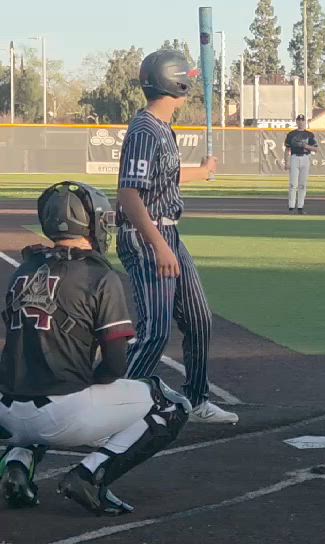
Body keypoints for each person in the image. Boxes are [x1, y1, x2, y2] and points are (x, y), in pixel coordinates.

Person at [0, 182, 190, 516]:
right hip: (60, 415)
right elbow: (115, 366)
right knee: (169, 403)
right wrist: (84, 379)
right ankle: (90, 475)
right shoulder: (98, 276)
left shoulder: (25, 269)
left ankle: (17, 463)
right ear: (90, 223)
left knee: (39, 371)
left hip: (8, 412)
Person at [116, 49, 237, 424]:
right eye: (187, 79)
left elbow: (163, 177)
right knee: (154, 332)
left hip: (168, 233)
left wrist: (200, 172)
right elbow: (129, 193)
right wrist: (159, 246)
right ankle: (112, 411)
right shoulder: (144, 130)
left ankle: (197, 398)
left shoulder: (162, 128)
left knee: (199, 318)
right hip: (148, 235)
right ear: (176, 83)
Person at [284, 114, 319, 214]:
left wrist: (305, 145)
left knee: (302, 184)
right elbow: (287, 149)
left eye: (302, 120)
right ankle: (291, 207)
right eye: (299, 120)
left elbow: (316, 149)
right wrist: (286, 162)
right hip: (294, 157)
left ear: (305, 122)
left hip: (305, 157)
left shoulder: (309, 134)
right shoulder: (291, 134)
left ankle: (300, 207)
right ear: (296, 121)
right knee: (292, 184)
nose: (300, 122)